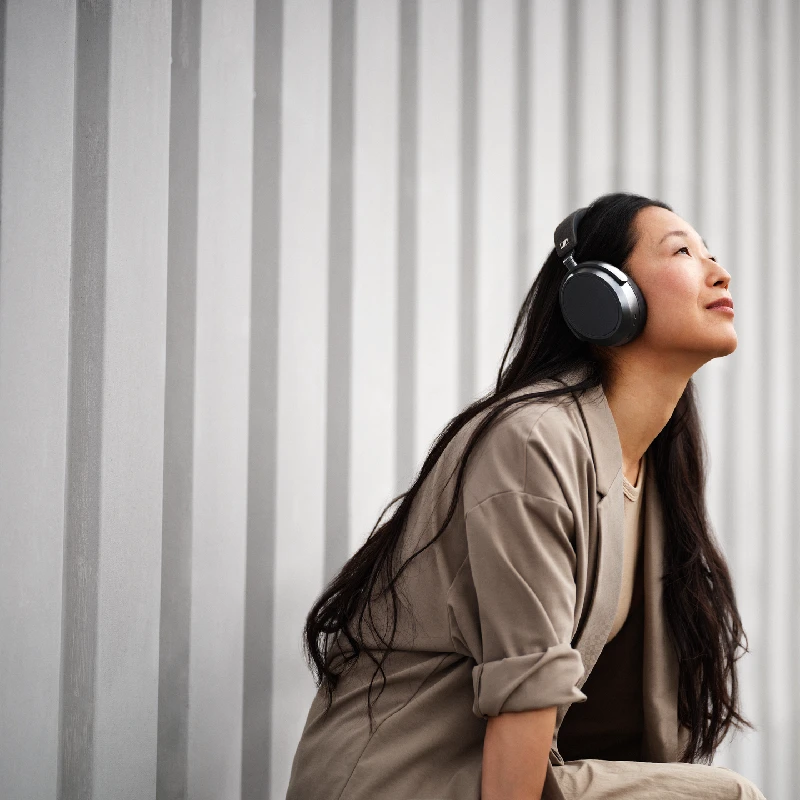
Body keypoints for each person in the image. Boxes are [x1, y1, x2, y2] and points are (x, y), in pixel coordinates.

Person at [285, 192, 766, 799]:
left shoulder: (656, 473)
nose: (718, 271)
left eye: (712, 255)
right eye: (683, 252)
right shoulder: (533, 441)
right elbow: (525, 695)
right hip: (407, 783)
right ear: (602, 296)